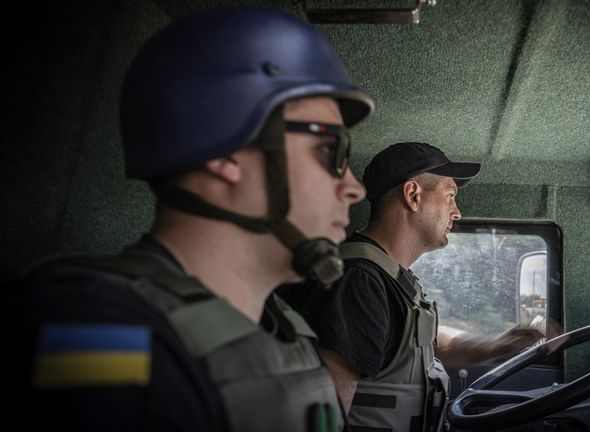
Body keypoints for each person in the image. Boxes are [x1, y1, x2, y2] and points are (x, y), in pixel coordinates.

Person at [9, 7, 374, 431]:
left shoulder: (285, 330)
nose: (355, 188)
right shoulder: (99, 324)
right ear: (224, 153)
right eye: (332, 152)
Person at [284, 142, 548, 431]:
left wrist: (499, 344)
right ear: (412, 195)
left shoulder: (391, 276)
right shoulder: (360, 281)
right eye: (450, 196)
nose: (457, 212)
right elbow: (326, 413)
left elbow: (420, 341)